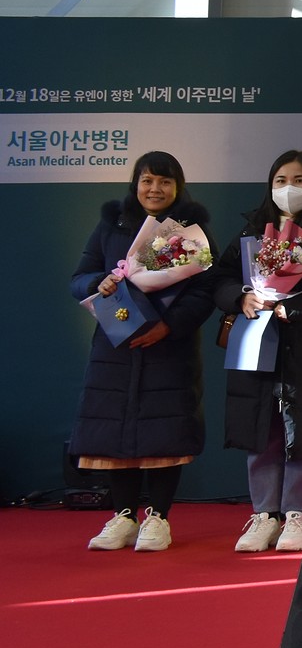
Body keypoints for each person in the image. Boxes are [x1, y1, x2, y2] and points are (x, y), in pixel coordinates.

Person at [70, 152, 218, 552]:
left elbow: (206, 290)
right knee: (114, 430)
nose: (155, 189)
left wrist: (169, 326)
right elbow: (79, 276)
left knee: (164, 431)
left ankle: (158, 518)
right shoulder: (112, 223)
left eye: (165, 182)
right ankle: (123, 516)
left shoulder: (191, 231)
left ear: (178, 187)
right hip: (115, 344)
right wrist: (99, 283)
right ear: (136, 183)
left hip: (168, 347)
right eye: (147, 180)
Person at [210, 150, 302, 553]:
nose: (289, 188)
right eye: (281, 181)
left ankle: (298, 514)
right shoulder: (252, 231)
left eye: (299, 180)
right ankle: (263, 513)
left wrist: (297, 305)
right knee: (261, 426)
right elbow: (219, 278)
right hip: (258, 342)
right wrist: (241, 297)